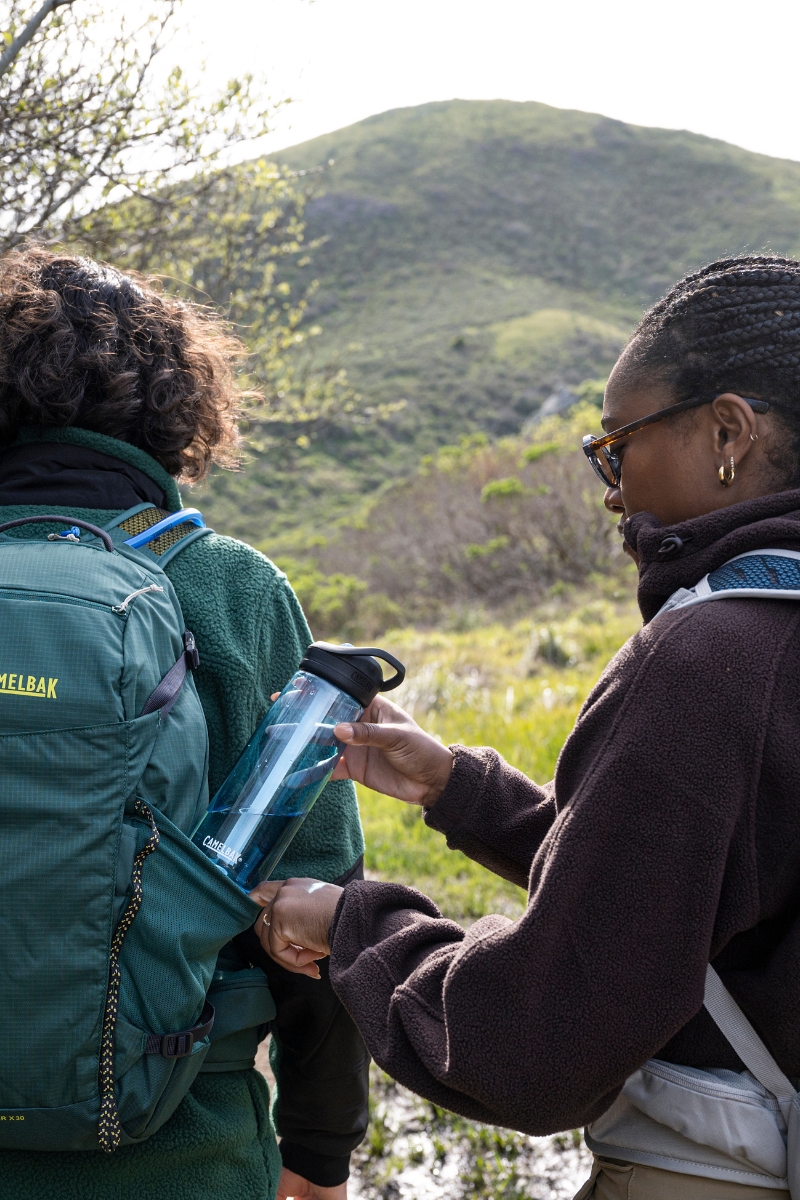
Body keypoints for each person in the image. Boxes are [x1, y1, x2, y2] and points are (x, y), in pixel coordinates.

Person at [251, 255, 800, 1198]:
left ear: (727, 432)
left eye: (616, 444)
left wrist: (351, 924)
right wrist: (456, 788)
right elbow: (691, 878)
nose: (611, 488)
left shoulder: (708, 659)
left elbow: (543, 1039)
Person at [0, 247, 368, 1200]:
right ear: (175, 405)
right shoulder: (228, 587)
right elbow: (320, 893)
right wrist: (320, 1155)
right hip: (179, 1148)